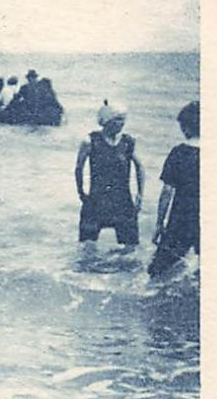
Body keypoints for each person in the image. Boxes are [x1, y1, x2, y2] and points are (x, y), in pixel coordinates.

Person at [75, 100, 145, 253]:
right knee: (88, 248)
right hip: (96, 199)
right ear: (106, 121)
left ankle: (121, 274)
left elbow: (139, 167)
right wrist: (81, 192)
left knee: (130, 250)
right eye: (118, 120)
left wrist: (140, 194)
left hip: (123, 200)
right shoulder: (90, 141)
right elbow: (79, 168)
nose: (122, 124)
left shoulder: (128, 142)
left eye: (123, 120)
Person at [149, 101, 200, 278]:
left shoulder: (179, 153)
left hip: (181, 218)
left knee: (157, 270)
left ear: (186, 128)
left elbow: (167, 192)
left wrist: (159, 224)